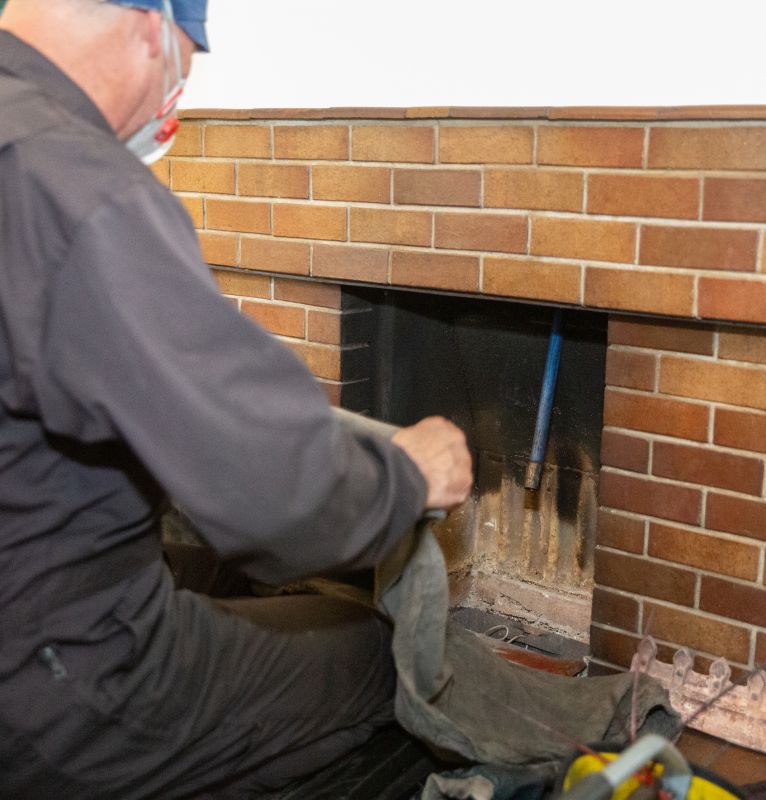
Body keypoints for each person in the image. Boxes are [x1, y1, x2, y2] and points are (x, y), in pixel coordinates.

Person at [0, 0, 473, 796]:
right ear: (149, 30)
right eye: (180, 71)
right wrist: (411, 475)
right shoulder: (83, 188)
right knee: (367, 647)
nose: (165, 108)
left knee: (206, 568)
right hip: (64, 692)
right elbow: (275, 498)